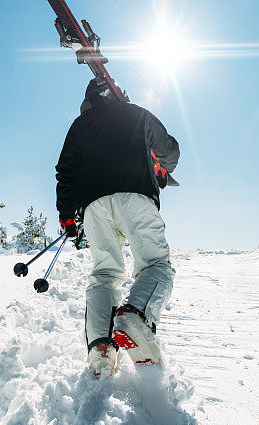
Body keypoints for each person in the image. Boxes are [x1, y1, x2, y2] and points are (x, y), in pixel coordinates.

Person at [55, 78, 180, 378]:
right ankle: (135, 317)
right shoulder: (136, 113)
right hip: (135, 194)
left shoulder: (78, 126)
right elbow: (170, 150)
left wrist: (67, 217)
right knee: (156, 265)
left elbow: (65, 173)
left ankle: (100, 348)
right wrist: (161, 167)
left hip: (94, 207)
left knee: (104, 274)